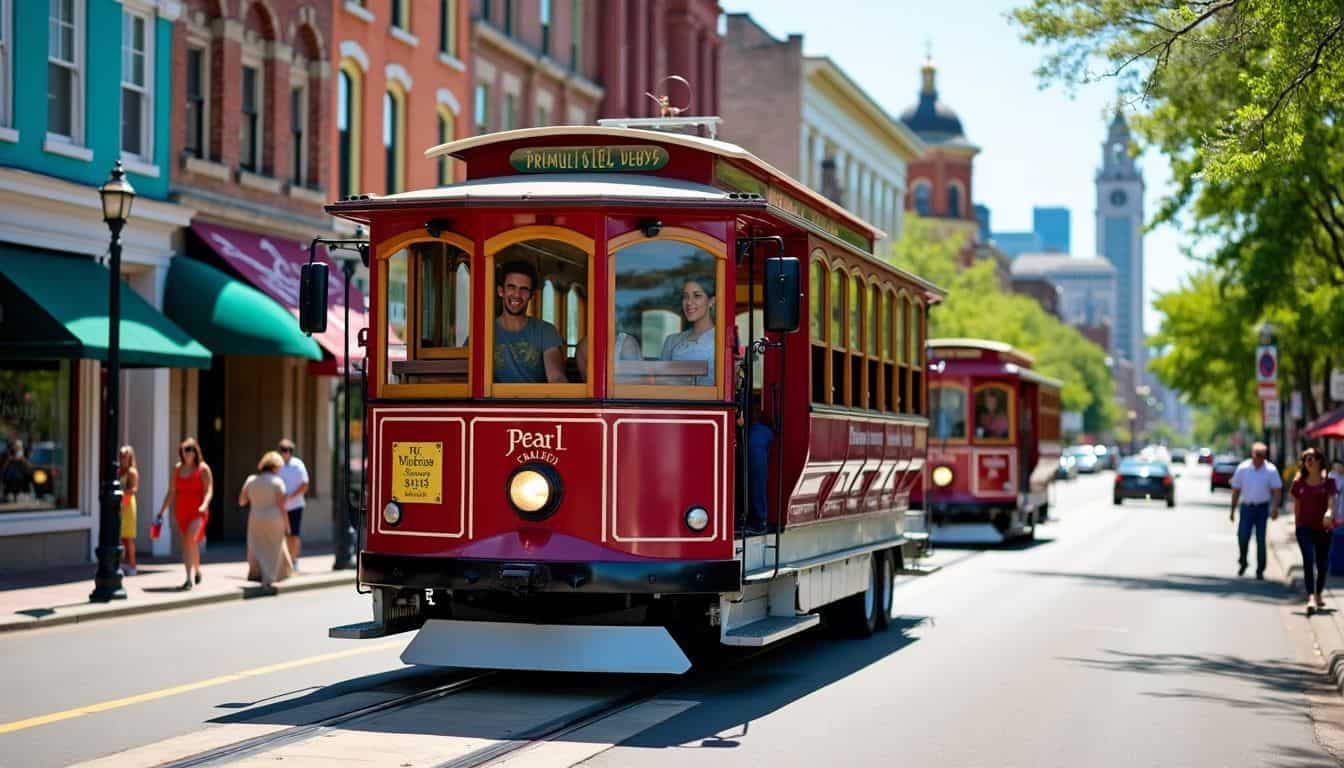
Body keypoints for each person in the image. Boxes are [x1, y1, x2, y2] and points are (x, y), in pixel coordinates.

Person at [493, 260, 566, 383]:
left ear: (531, 295)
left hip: (535, 401)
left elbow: (556, 377)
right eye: (511, 287)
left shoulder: (546, 331)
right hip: (494, 402)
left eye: (524, 289)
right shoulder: (482, 332)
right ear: (501, 291)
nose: (517, 294)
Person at [155, 437, 214, 590]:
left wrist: (204, 504)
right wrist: (161, 512)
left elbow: (209, 491)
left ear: (195, 452)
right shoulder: (177, 469)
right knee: (189, 543)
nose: (187, 453)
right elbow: (172, 492)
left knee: (189, 539)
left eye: (190, 449)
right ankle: (194, 572)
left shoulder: (203, 469)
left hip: (198, 511)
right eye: (184, 450)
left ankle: (190, 578)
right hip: (182, 511)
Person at [1290, 447, 1337, 612]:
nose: (1309, 460)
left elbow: (1332, 502)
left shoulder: (1329, 483)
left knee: (1323, 564)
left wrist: (1329, 514)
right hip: (1304, 528)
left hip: (1324, 528)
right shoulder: (1298, 483)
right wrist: (1296, 527)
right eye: (1306, 458)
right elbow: (1297, 507)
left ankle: (1318, 593)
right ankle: (1310, 596)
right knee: (1308, 559)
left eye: (1313, 457)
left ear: (1320, 461)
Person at [240, 451, 294, 592]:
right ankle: (268, 578)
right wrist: (287, 525)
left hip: (255, 518)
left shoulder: (251, 480)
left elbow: (242, 501)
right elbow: (282, 507)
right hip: (273, 518)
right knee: (273, 550)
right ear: (276, 467)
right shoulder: (277, 482)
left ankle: (256, 573)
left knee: (256, 547)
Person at [1229, 442, 1283, 579]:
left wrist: (1275, 508)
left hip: (1262, 508)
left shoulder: (1270, 470)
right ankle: (1243, 561)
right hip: (1247, 507)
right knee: (1242, 536)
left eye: (1262, 455)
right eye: (1257, 454)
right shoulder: (1243, 468)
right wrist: (1232, 510)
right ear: (1252, 454)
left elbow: (1277, 490)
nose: (1259, 457)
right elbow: (1236, 490)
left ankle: (1260, 569)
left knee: (1260, 539)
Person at [661, 277, 716, 386]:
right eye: (685, 297)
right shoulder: (671, 340)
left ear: (711, 301)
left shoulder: (722, 338)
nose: (689, 302)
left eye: (697, 296)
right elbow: (660, 381)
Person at [276, 438, 309, 566]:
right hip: (281, 507)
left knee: (294, 534)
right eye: (282, 450)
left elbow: (305, 485)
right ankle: (284, 560)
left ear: (291, 452)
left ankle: (294, 560)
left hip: (295, 506)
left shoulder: (298, 465)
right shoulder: (277, 465)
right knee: (282, 534)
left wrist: (290, 496)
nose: (284, 453)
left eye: (286, 450)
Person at [574, 331, 641, 382]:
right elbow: (636, 378)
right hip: (623, 395)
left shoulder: (582, 345)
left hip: (595, 397)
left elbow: (585, 378)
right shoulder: (627, 342)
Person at [118, 445, 139, 576]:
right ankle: (121, 563)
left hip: (127, 504)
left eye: (125, 456)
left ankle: (132, 565)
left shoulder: (132, 472)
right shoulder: (119, 471)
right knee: (119, 537)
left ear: (130, 457)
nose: (122, 459)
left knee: (128, 537)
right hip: (119, 504)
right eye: (120, 456)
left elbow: (133, 489)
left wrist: (122, 495)